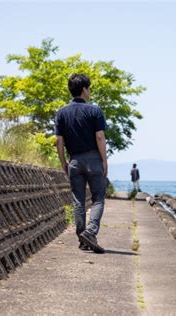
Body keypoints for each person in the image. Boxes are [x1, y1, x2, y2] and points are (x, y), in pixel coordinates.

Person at [55, 74, 107, 254]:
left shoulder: (61, 112)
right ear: (84, 89)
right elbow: (100, 137)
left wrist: (64, 162)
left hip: (75, 160)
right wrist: (104, 161)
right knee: (98, 198)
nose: (90, 91)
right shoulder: (94, 111)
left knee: (78, 201)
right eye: (89, 88)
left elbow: (59, 141)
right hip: (93, 160)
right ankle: (91, 232)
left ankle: (82, 239)